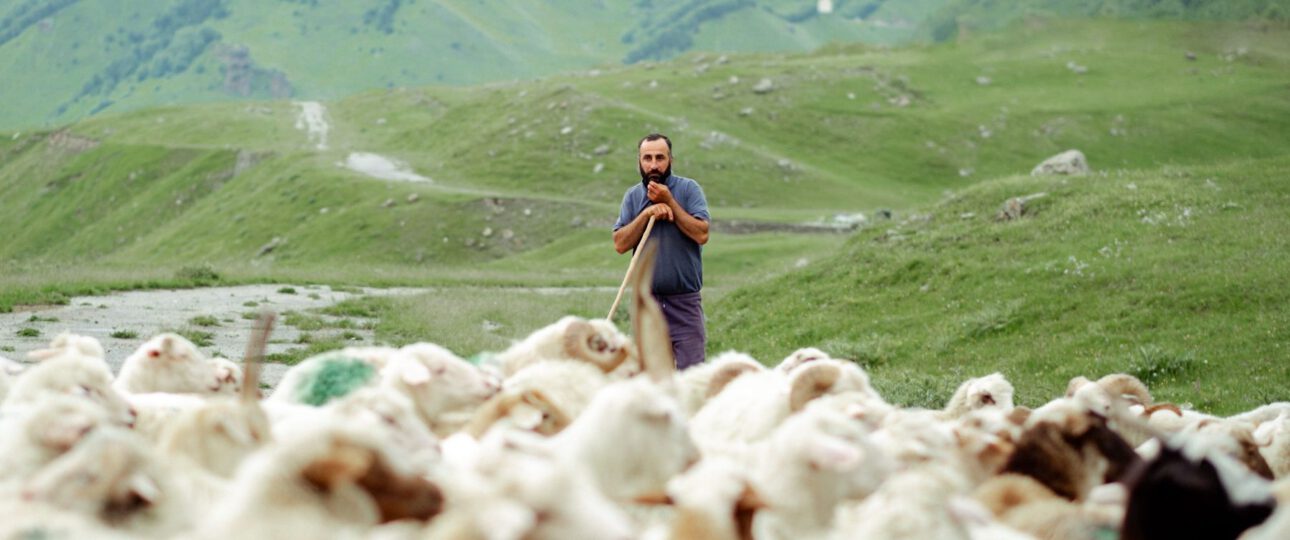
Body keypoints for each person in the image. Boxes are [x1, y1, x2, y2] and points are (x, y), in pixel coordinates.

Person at [612, 133, 710, 370]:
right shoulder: (633, 196)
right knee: (650, 379)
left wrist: (670, 202)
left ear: (670, 160)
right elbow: (620, 243)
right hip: (648, 304)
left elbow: (702, 234)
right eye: (647, 158)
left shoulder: (688, 189)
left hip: (684, 303)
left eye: (660, 158)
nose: (653, 165)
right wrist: (646, 214)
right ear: (639, 161)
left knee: (692, 376)